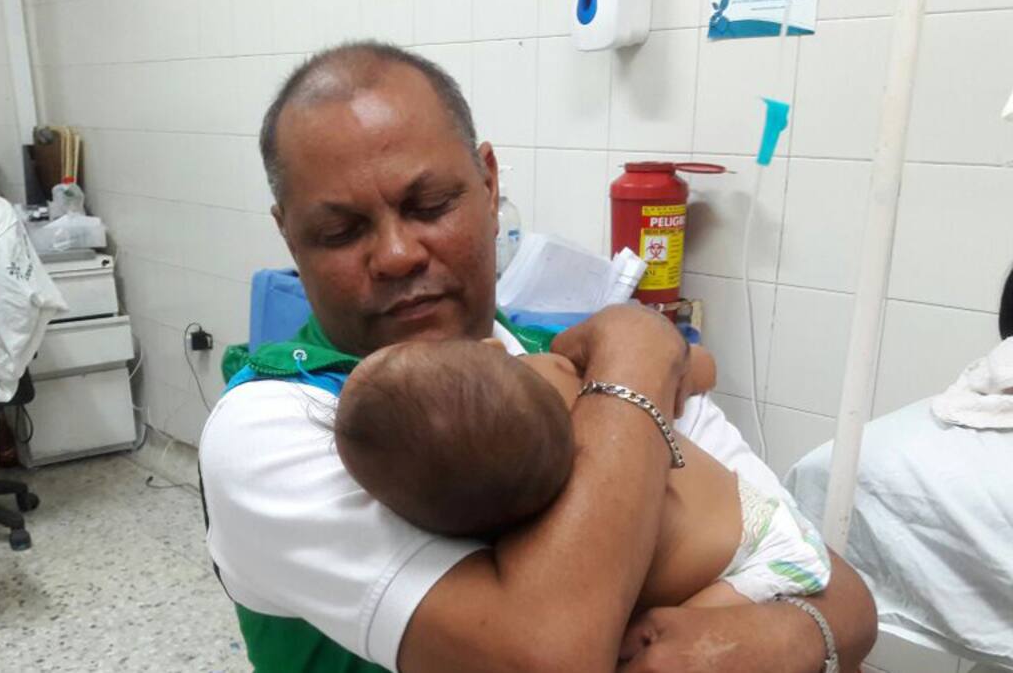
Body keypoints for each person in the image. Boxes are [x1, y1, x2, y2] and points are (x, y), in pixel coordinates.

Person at [200, 41, 877, 672]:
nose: (398, 254)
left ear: (490, 185)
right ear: (290, 238)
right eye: (340, 231)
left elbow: (843, 597)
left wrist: (738, 643)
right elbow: (546, 658)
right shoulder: (279, 424)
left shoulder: (558, 361)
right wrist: (639, 349)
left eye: (429, 205)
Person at [334, 338, 832, 610]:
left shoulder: (501, 526)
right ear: (490, 349)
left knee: (660, 637)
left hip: (773, 550)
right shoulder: (557, 371)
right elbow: (695, 363)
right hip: (763, 539)